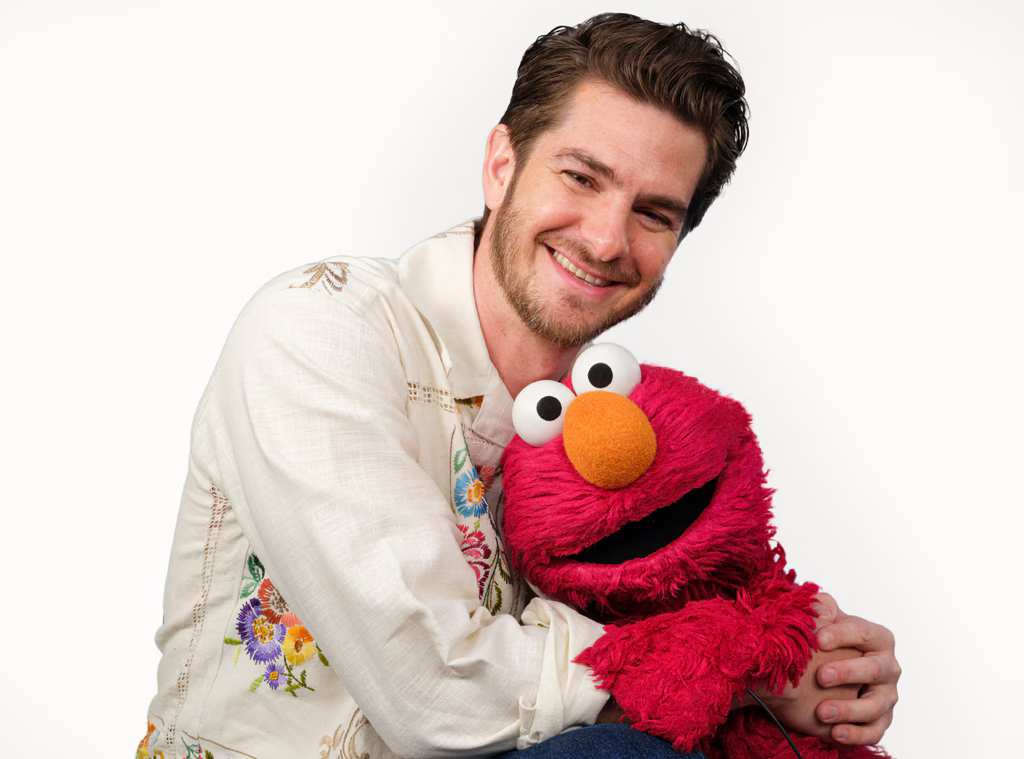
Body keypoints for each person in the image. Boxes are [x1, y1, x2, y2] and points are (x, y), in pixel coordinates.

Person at [137, 13, 899, 759]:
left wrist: (821, 666)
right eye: (581, 176)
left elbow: (713, 603)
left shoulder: (617, 438)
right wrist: (732, 671)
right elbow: (431, 693)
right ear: (501, 163)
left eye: (654, 214)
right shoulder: (320, 326)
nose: (605, 239)